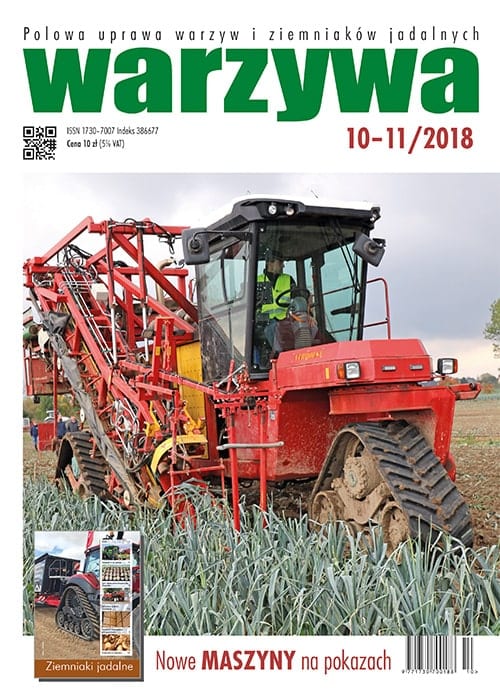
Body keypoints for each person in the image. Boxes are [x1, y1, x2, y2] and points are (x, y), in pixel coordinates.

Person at [254, 250, 296, 366]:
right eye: (280, 262)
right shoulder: (257, 281)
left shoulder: (288, 279)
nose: (283, 265)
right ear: (270, 263)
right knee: (273, 329)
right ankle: (281, 359)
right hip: (264, 322)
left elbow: (298, 299)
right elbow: (253, 307)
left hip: (286, 321)